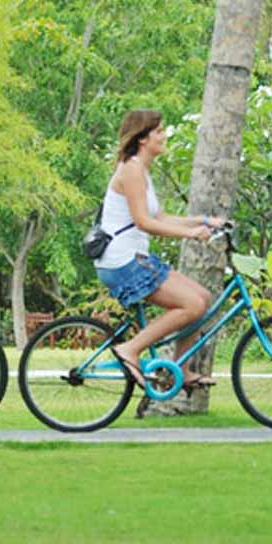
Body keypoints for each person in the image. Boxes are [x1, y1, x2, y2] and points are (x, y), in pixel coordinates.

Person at [95, 109, 225, 388]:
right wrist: (191, 234)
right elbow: (144, 223)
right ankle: (130, 349)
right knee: (191, 304)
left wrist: (204, 221)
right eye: (159, 132)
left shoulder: (141, 170)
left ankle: (181, 369)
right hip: (123, 262)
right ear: (142, 139)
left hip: (136, 259)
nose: (164, 136)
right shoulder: (130, 170)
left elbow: (161, 218)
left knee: (202, 297)